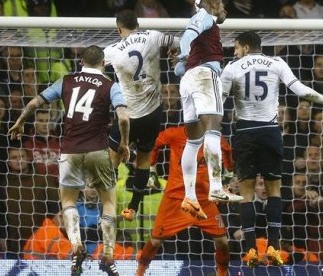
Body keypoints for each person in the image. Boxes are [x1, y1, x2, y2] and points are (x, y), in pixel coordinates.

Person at [221, 31, 323, 268]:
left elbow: (220, 97)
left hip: (245, 133)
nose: (234, 52)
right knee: (274, 191)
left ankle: (250, 250)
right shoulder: (277, 63)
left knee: (246, 193)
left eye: (236, 48)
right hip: (270, 132)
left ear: (247, 47)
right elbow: (301, 90)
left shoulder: (233, 67)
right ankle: (273, 247)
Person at [8, 45, 130, 276]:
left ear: (81, 62)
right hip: (98, 150)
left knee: (68, 201)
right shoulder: (110, 85)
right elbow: (123, 118)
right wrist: (123, 143)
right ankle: (109, 255)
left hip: (70, 150)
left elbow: (35, 102)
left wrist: (21, 121)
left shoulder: (66, 81)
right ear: (104, 63)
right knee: (109, 202)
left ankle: (75, 246)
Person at [103, 9, 179, 222]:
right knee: (144, 160)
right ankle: (132, 207)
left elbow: (92, 66)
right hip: (153, 114)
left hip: (128, 115)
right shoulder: (154, 36)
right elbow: (180, 42)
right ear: (138, 24)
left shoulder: (112, 50)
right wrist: (175, 54)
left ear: (119, 29)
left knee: (111, 162)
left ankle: (107, 206)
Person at [173, 0, 242, 220]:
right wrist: (184, 54)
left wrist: (184, 59)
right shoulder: (203, 16)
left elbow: (178, 69)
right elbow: (186, 39)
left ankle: (191, 197)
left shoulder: (206, 26)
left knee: (193, 141)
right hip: (204, 76)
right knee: (213, 129)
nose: (224, 6)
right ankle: (216, 187)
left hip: (189, 79)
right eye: (221, 2)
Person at [136, 124, 231, 276]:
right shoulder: (175, 134)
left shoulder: (213, 138)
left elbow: (227, 151)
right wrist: (151, 169)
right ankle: (139, 272)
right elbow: (154, 143)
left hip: (203, 199)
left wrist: (227, 179)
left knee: (222, 241)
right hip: (175, 198)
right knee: (155, 242)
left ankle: (222, 273)